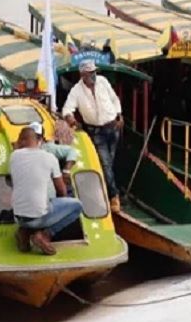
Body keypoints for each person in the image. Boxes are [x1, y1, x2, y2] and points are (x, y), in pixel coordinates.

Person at [9, 124, 83, 254]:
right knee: (77, 206)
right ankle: (44, 235)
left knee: (33, 208)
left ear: (21, 141)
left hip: (18, 217)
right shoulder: (50, 158)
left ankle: (24, 232)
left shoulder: (13, 157)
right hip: (38, 217)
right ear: (39, 140)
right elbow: (61, 191)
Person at [62, 60, 124, 211]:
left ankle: (106, 189)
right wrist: (72, 121)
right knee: (105, 163)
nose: (94, 75)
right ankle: (113, 196)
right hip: (97, 132)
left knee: (110, 163)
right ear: (83, 75)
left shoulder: (103, 81)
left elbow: (114, 99)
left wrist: (119, 115)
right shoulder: (77, 90)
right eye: (90, 73)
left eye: (94, 72)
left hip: (113, 127)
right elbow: (67, 110)